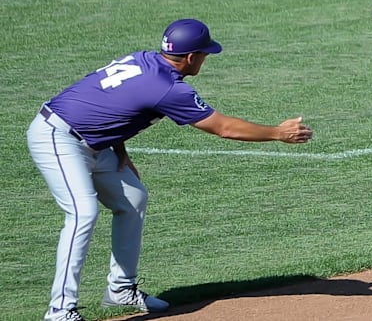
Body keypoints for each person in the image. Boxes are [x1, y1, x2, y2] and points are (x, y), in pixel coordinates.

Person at [28, 18, 313, 321]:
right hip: (57, 138)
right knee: (83, 212)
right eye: (205, 54)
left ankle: (121, 290)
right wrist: (278, 133)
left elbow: (106, 98)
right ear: (191, 57)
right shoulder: (169, 89)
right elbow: (224, 128)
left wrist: (118, 145)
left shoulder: (144, 58)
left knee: (133, 199)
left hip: (92, 143)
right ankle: (59, 311)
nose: (206, 59)